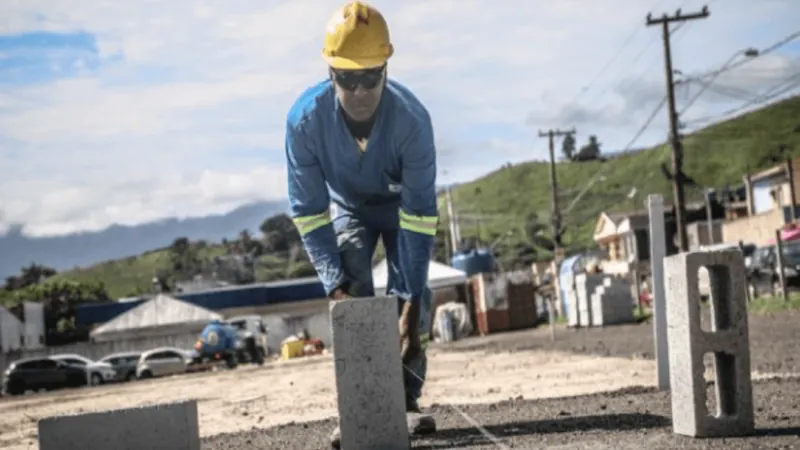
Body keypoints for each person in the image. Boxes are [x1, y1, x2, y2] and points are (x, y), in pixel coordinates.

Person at [284, 1, 438, 446]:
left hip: (404, 212)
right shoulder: (303, 123)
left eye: (370, 76)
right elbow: (310, 212)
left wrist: (409, 302)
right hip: (348, 206)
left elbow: (420, 216)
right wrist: (334, 284)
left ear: (386, 69)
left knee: (416, 299)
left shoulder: (413, 121)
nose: (359, 91)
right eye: (347, 79)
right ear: (330, 74)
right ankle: (359, 406)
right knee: (352, 285)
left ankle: (406, 404)